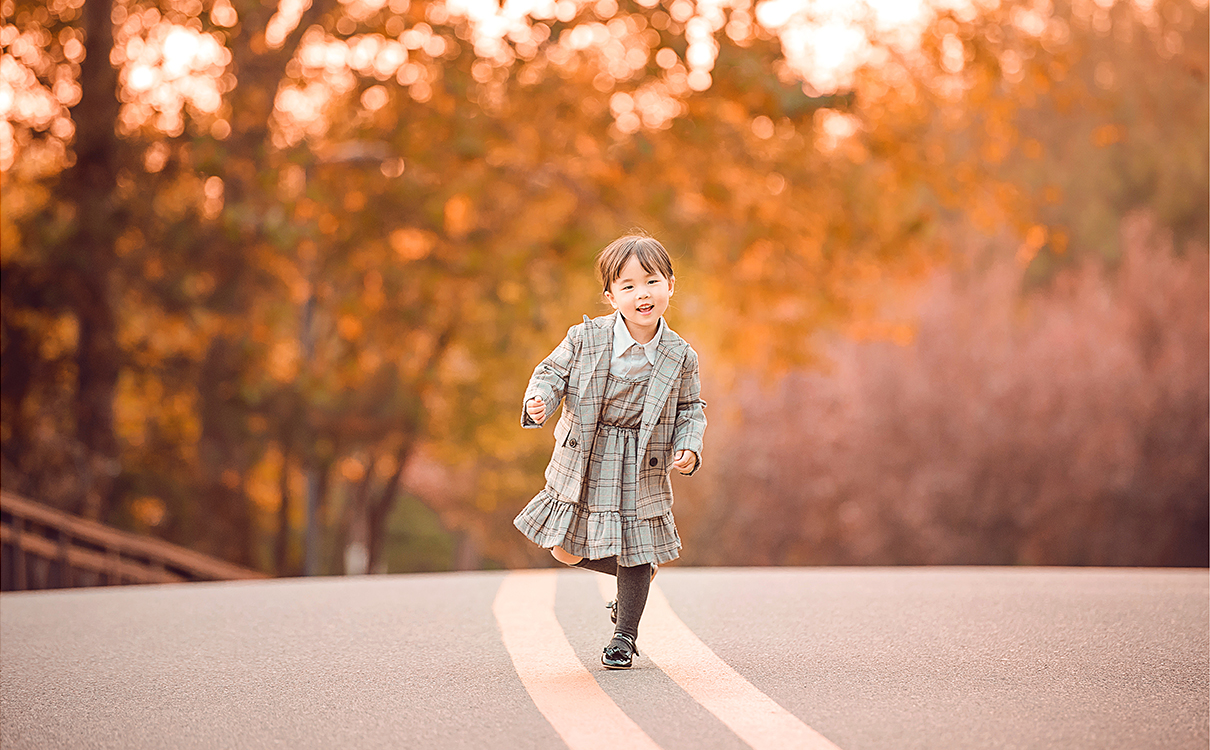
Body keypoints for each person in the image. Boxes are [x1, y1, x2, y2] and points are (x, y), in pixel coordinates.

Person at [513, 232, 707, 669]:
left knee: (637, 547)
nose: (643, 294)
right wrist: (538, 400)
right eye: (629, 286)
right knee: (564, 547)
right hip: (589, 455)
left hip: (642, 460)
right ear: (610, 296)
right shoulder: (585, 338)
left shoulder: (680, 355)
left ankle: (624, 636)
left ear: (670, 285)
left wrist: (688, 447)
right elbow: (550, 373)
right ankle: (632, 583)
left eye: (652, 281)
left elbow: (691, 407)